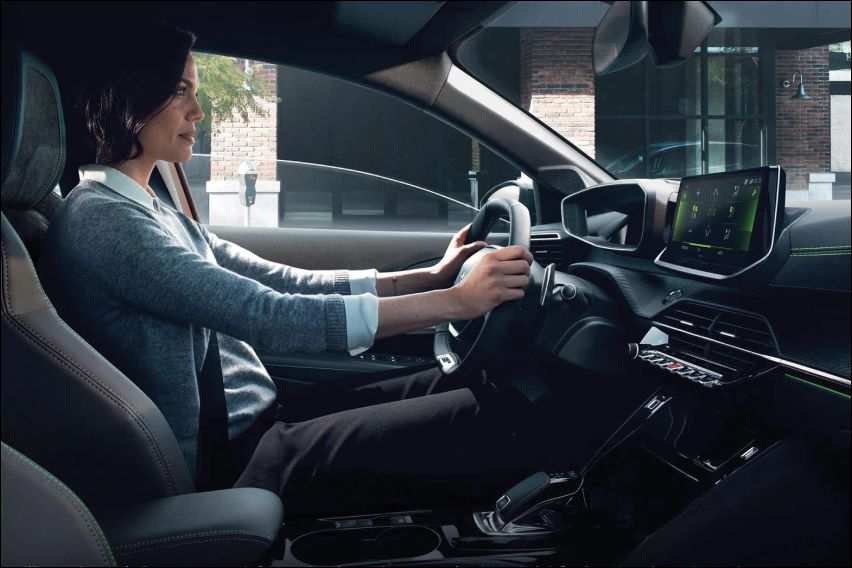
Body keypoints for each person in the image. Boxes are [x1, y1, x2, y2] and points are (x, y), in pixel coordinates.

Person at [38, 20, 536, 515]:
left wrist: (428, 278)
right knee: (485, 416)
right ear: (129, 96)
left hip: (257, 421)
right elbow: (267, 314)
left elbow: (276, 280)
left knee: (456, 385)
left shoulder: (147, 208)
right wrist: (455, 302)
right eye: (179, 92)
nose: (198, 111)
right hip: (228, 462)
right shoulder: (105, 222)